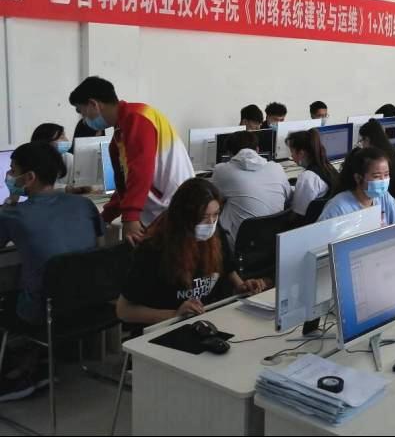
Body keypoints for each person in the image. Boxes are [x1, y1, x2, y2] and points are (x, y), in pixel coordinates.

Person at [0, 143, 103, 400]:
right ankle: (38, 361)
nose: (9, 176)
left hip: (43, 314)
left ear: (29, 177)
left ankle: (16, 372)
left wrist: (10, 204)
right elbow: (99, 249)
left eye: (12, 170)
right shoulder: (84, 205)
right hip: (91, 308)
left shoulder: (13, 215)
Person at [116, 178, 266, 326]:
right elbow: (124, 311)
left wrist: (242, 287)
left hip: (208, 320)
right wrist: (174, 315)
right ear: (183, 217)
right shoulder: (154, 249)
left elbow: (228, 270)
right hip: (168, 327)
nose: (211, 223)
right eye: (203, 217)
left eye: (216, 214)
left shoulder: (215, 235)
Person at [68, 76, 195, 245]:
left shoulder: (137, 118)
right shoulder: (120, 134)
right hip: (161, 211)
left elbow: (140, 171)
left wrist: (130, 216)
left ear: (94, 104)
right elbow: (125, 185)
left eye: (82, 112)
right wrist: (106, 216)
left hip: (174, 210)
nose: (84, 119)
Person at [210, 131, 292, 250]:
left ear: (229, 153)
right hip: (274, 242)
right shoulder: (276, 167)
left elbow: (214, 198)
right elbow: (288, 198)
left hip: (240, 245)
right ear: (257, 150)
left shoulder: (222, 170)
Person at [318, 148, 395, 226]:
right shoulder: (337, 208)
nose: (383, 180)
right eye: (376, 176)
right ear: (358, 178)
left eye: (386, 175)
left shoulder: (385, 197)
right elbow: (320, 237)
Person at [286, 129, 339, 220]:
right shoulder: (328, 167)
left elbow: (296, 213)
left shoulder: (307, 177)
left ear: (301, 153)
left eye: (292, 152)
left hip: (307, 225)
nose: (291, 156)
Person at [358, 119, 395, 201]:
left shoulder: (377, 158)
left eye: (362, 140)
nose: (361, 144)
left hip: (388, 195)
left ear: (368, 139)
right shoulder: (391, 150)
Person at [30, 123, 74, 190]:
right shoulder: (31, 161)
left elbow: (75, 184)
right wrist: (65, 188)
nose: (67, 140)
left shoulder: (68, 158)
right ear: (46, 141)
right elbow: (37, 187)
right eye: (61, 137)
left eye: (65, 136)